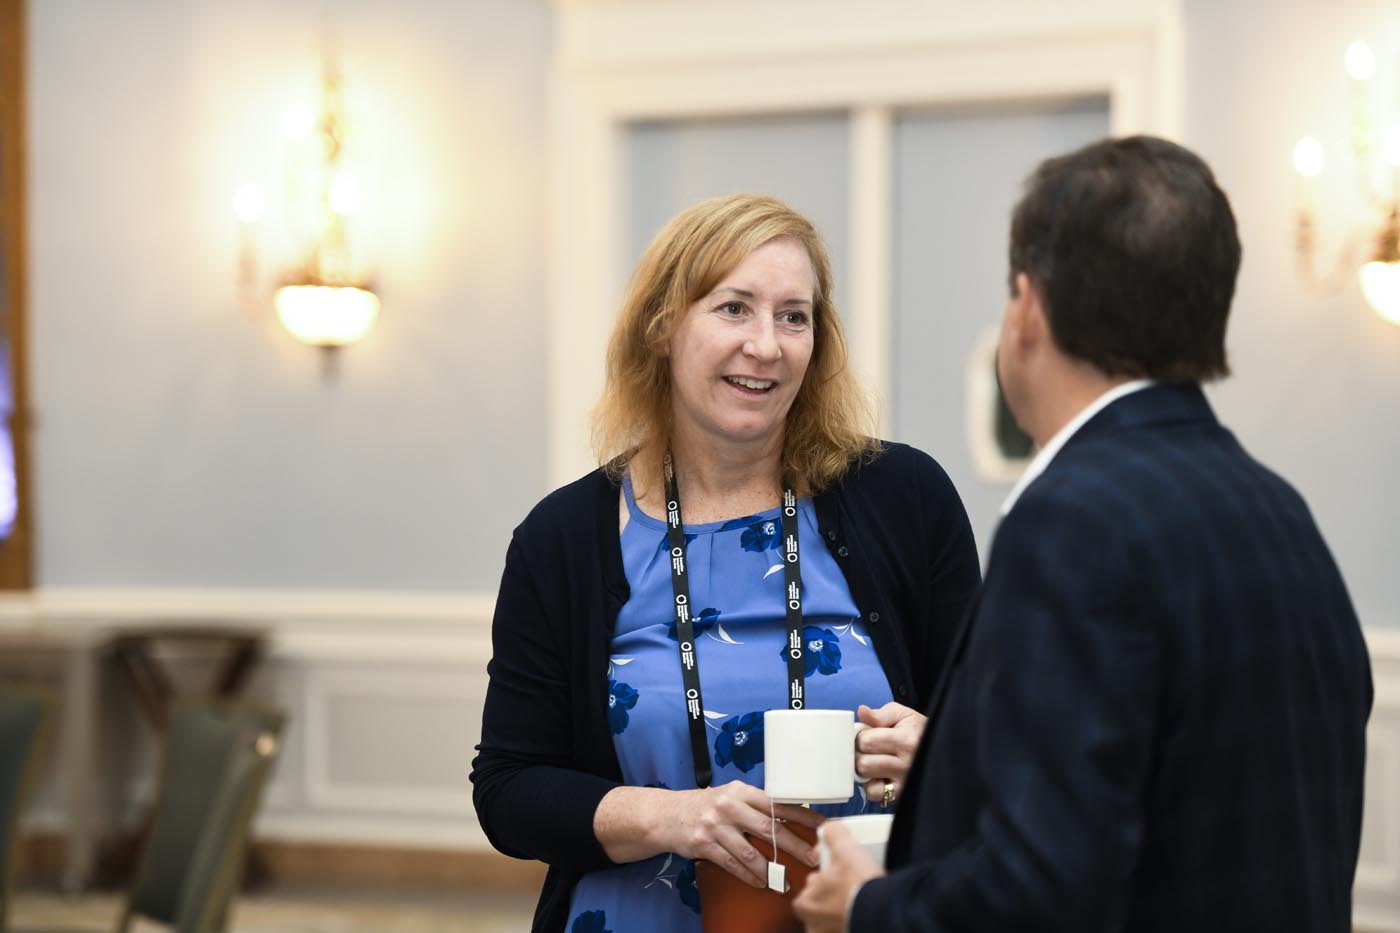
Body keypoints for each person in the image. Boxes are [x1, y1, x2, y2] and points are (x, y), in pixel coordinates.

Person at [794, 136, 1373, 932]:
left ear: (1028, 309)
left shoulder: (1073, 521)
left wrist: (868, 906)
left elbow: (1038, 892)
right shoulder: (1278, 509)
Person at [471, 193, 981, 932]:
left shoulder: (906, 498)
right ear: (662, 328)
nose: (766, 345)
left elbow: (1004, 746)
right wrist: (675, 816)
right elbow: (509, 790)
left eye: (793, 316)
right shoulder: (562, 539)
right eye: (734, 308)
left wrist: (946, 755)